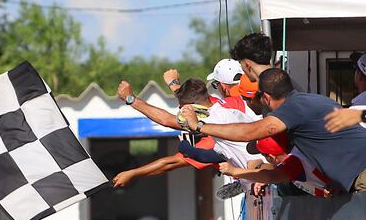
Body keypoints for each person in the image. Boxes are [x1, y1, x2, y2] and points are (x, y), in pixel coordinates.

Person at [180, 68, 366, 193]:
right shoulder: (314, 100)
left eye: (258, 95)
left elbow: (249, 133)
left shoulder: (294, 110)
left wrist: (199, 126)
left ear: (266, 97)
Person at [112, 78, 263, 188]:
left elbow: (166, 122)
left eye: (183, 109)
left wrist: (131, 99)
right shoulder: (223, 104)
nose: (181, 113)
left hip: (263, 176)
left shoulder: (211, 123)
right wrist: (174, 86)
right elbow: (191, 98)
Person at [217, 133, 336, 198]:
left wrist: (234, 171)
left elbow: (271, 176)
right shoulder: (293, 154)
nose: (264, 158)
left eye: (264, 155)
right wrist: (262, 180)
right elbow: (273, 173)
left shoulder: (293, 161)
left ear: (272, 157)